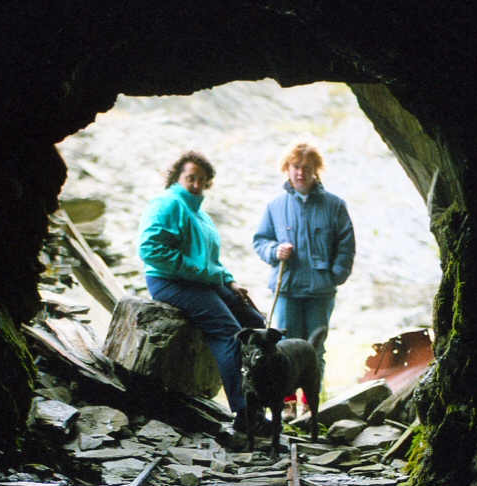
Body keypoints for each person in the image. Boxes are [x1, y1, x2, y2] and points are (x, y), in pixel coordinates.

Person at [138, 151, 266, 431]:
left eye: (202, 179)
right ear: (177, 177)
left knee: (255, 324)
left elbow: (212, 260)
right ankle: (246, 415)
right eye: (190, 178)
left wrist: (230, 282)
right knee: (230, 334)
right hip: (170, 282)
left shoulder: (200, 214)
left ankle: (260, 405)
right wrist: (195, 271)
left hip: (202, 281)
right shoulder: (167, 203)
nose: (196, 184)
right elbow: (150, 249)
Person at [253, 140, 355, 415]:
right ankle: (287, 403)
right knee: (283, 348)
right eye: (295, 166)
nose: (300, 173)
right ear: (287, 169)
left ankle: (311, 405)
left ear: (316, 170)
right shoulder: (275, 205)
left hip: (321, 290)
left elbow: (346, 245)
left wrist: (335, 276)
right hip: (286, 289)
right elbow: (260, 240)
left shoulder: (334, 205)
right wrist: (275, 251)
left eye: (306, 167)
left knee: (315, 349)